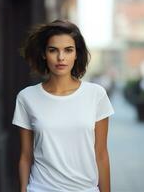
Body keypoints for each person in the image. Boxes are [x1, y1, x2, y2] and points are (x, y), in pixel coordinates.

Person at [12, 19, 115, 192]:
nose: (61, 57)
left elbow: (101, 154)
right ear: (44, 54)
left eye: (68, 50)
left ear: (76, 54)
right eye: (53, 50)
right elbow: (25, 155)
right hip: (40, 188)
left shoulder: (96, 95)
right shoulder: (26, 97)